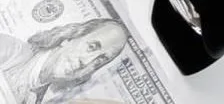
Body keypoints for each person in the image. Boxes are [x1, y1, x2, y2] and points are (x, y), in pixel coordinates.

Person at [0, 17, 128, 103]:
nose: (86, 62)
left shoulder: (38, 97)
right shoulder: (10, 50)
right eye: (91, 47)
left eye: (99, 61)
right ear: (69, 38)